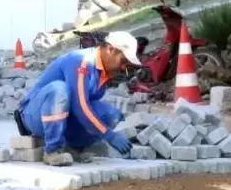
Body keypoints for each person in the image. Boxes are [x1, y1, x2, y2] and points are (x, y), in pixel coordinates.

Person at [17, 31, 140, 166]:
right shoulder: (81, 61)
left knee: (111, 115)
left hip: (64, 118)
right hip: (34, 116)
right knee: (60, 89)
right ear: (111, 49)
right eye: (123, 61)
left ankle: (73, 148)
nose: (124, 67)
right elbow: (80, 106)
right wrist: (109, 135)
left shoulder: (104, 73)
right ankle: (52, 150)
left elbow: (86, 106)